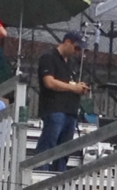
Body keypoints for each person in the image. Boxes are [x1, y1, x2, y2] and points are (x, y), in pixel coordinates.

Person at [35, 31, 89, 172]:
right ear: (67, 42)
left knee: (65, 148)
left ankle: (59, 176)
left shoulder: (70, 62)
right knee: (49, 143)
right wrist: (73, 88)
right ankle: (41, 172)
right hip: (54, 108)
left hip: (70, 110)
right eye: (76, 48)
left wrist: (78, 87)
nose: (77, 52)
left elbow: (68, 82)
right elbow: (49, 82)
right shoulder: (49, 57)